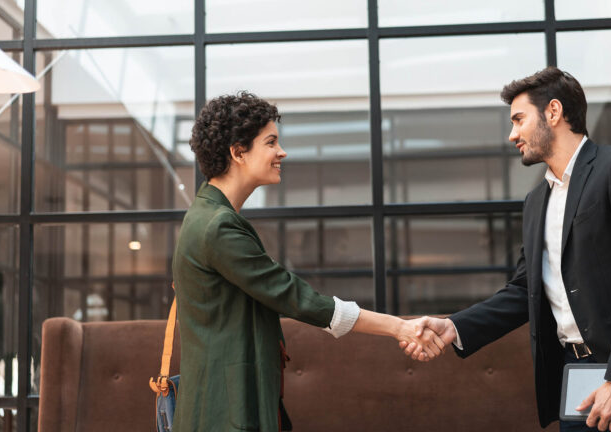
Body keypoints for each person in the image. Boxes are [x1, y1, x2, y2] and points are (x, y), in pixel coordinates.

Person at [402, 67, 611, 432]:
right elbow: (522, 291)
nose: (512, 134)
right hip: (576, 385)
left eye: (519, 119)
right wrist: (453, 326)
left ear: (554, 112)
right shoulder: (535, 201)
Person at [171, 92, 444, 432]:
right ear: (238, 152)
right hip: (227, 410)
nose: (281, 152)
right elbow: (297, 298)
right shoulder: (218, 226)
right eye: (271, 142)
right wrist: (399, 327)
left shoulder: (207, 217)